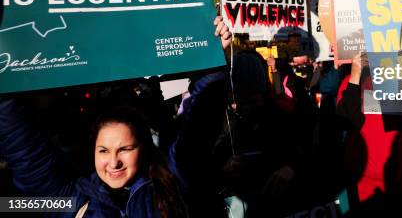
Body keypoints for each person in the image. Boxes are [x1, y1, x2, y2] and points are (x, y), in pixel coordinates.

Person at [0, 17, 232, 217]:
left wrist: (210, 56)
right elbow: (25, 151)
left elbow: (200, 124)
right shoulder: (69, 201)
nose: (113, 162)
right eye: (104, 150)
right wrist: (5, 73)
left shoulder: (171, 184)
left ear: (144, 148)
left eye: (125, 149)